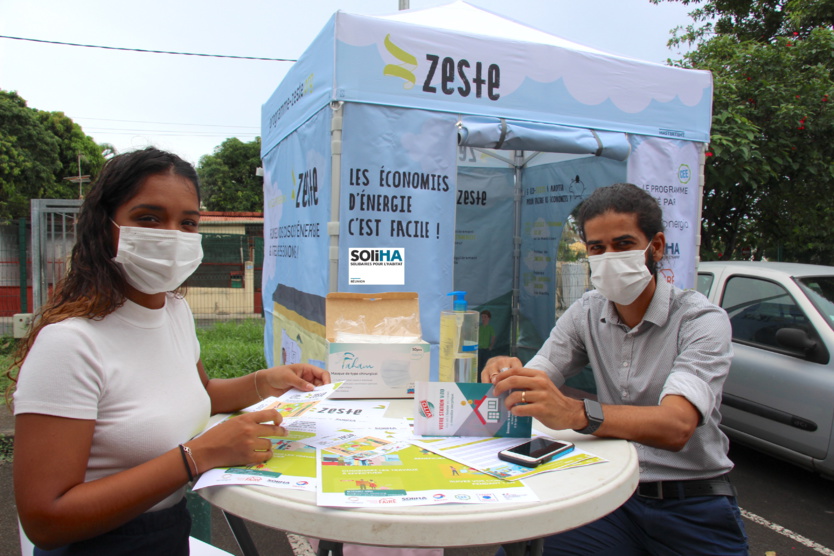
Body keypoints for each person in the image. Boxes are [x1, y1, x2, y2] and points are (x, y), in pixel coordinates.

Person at [8, 147, 330, 555]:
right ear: (104, 226)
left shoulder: (174, 311)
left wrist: (264, 382)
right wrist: (196, 457)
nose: (172, 236)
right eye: (148, 218)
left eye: (188, 222)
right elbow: (45, 518)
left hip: (168, 535)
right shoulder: (69, 344)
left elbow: (198, 393)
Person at [482, 183, 748, 555]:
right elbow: (539, 376)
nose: (608, 257)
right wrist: (507, 374)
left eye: (623, 245)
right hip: (608, 498)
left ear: (655, 247)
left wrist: (576, 413)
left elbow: (676, 426)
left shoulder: (700, 320)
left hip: (691, 502)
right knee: (522, 549)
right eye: (596, 248)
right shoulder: (586, 312)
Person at [477, 310, 496, 376]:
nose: (483, 319)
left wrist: (491, 346)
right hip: (479, 349)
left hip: (486, 349)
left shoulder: (490, 328)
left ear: (488, 318)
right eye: (482, 317)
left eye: (485, 317)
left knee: (485, 365)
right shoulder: (479, 327)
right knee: (478, 365)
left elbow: (493, 337)